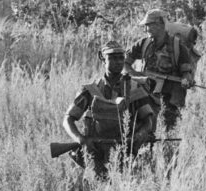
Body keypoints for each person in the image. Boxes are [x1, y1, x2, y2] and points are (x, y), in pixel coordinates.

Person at [63, 41, 154, 179]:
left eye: (121, 58)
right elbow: (68, 119)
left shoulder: (134, 87)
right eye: (112, 58)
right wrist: (81, 139)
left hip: (126, 152)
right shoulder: (91, 90)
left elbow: (148, 121)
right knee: (98, 187)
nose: (118, 62)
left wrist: (138, 137)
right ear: (102, 58)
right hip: (96, 152)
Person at [125, 9, 195, 131]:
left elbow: (186, 72)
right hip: (146, 96)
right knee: (143, 128)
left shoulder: (178, 47)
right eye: (146, 26)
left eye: (149, 25)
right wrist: (135, 75)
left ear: (161, 24)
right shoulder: (143, 43)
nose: (146, 29)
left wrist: (186, 80)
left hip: (170, 98)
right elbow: (124, 63)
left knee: (168, 130)